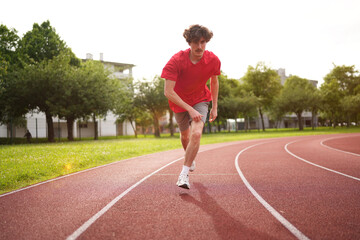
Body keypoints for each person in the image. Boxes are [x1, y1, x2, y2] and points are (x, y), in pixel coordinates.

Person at [162, 24, 221, 189]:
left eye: (203, 42)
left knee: (196, 134)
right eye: (196, 42)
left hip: (201, 99)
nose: (200, 46)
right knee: (185, 137)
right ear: (189, 43)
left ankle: (183, 175)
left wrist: (214, 107)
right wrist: (189, 108)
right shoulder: (176, 61)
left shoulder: (213, 60)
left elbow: (214, 81)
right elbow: (168, 91)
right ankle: (190, 156)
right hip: (179, 101)